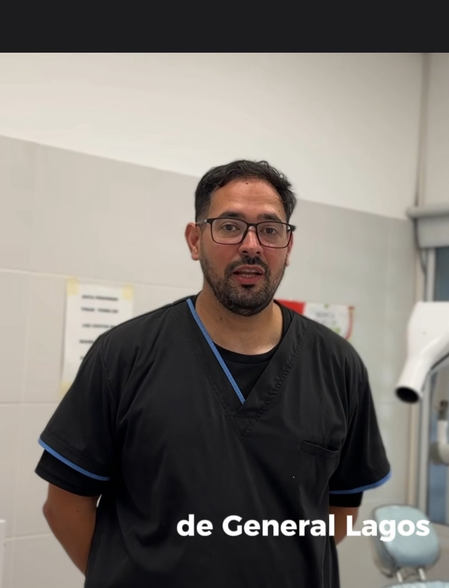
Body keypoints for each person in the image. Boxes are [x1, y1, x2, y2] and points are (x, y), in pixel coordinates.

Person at [35, 159, 391, 588]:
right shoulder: (124, 356)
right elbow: (65, 506)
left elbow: (341, 510)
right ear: (195, 240)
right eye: (230, 226)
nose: (251, 245)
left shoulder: (337, 364)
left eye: (270, 229)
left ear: (288, 246)